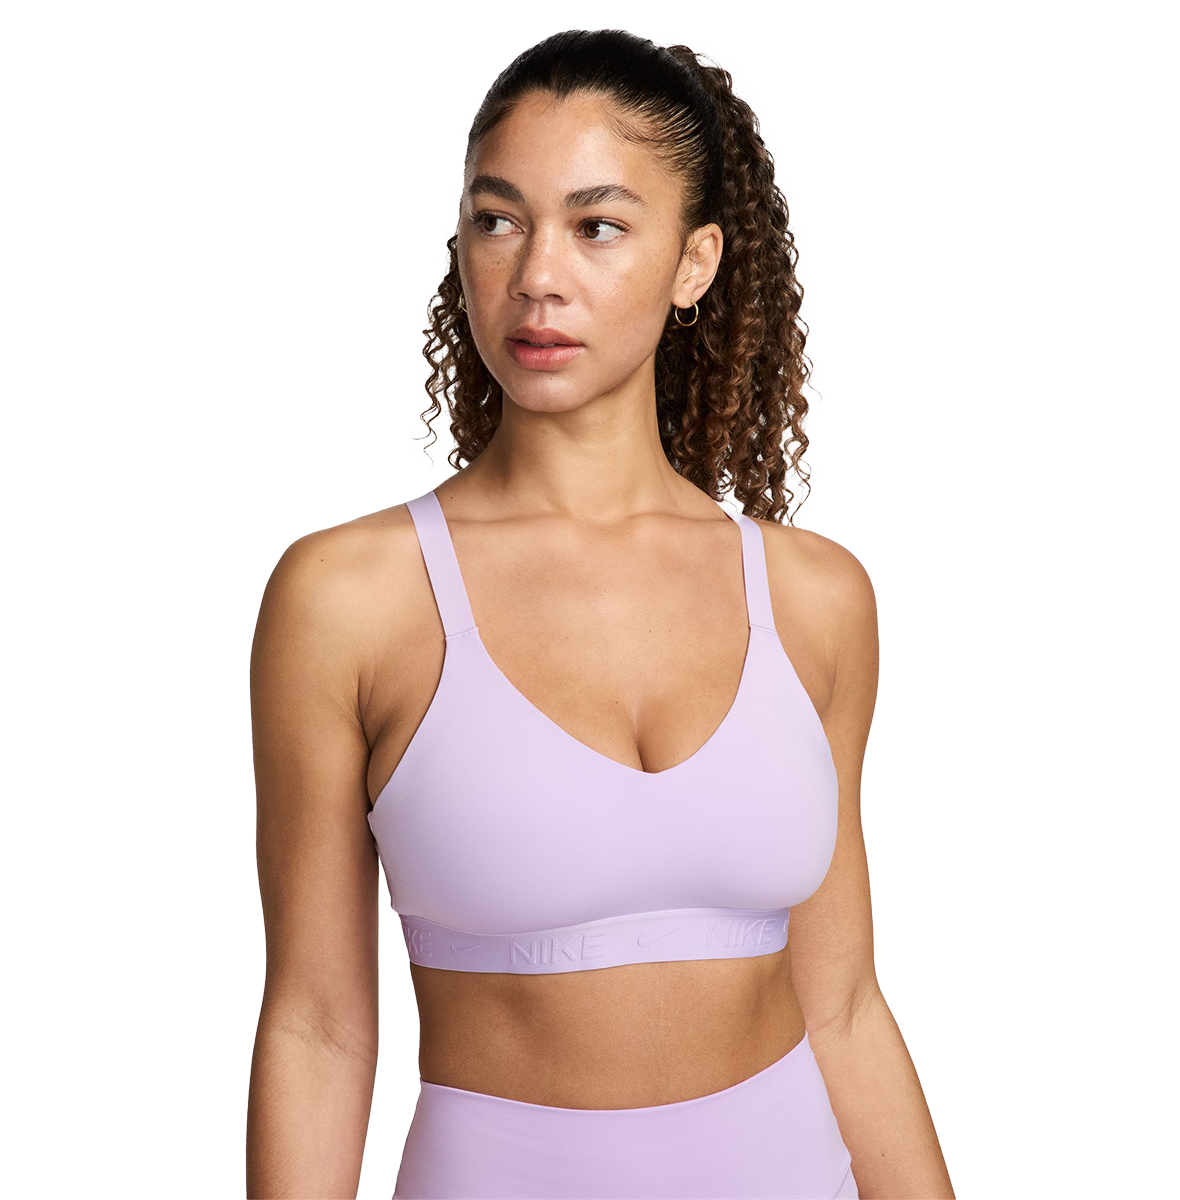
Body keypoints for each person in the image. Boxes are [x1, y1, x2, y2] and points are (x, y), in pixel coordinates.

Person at [247, 28, 957, 1200]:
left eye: (599, 226)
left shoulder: (814, 598)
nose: (537, 275)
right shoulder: (351, 597)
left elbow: (840, 1005)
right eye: (498, 219)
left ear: (695, 263)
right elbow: (318, 1028)